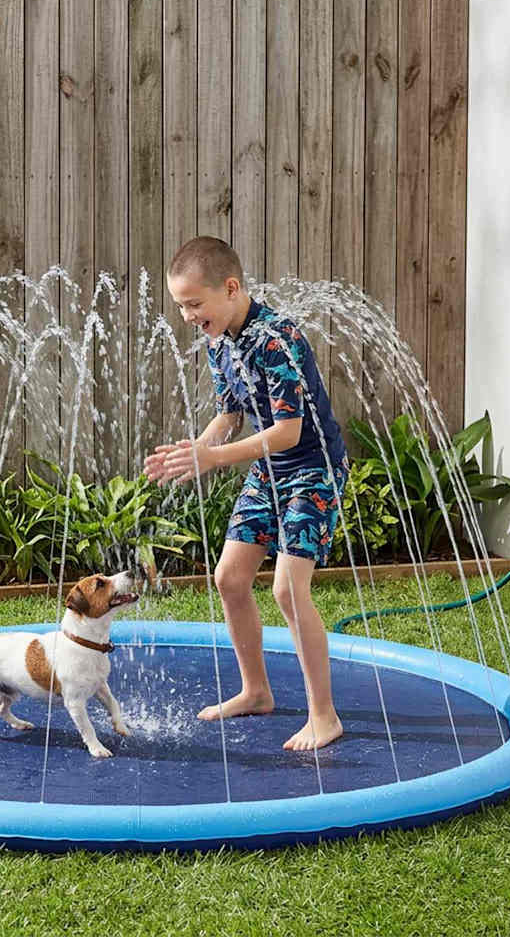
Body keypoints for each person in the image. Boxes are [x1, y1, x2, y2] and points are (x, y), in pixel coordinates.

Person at [143, 236, 350, 751]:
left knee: (286, 588)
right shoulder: (221, 341)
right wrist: (199, 446)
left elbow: (289, 432)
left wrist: (214, 459)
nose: (188, 316)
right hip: (270, 472)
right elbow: (232, 411)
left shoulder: (275, 340)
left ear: (231, 289)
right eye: (181, 306)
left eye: (195, 304)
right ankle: (256, 691)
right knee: (230, 577)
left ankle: (324, 715)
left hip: (312, 470)